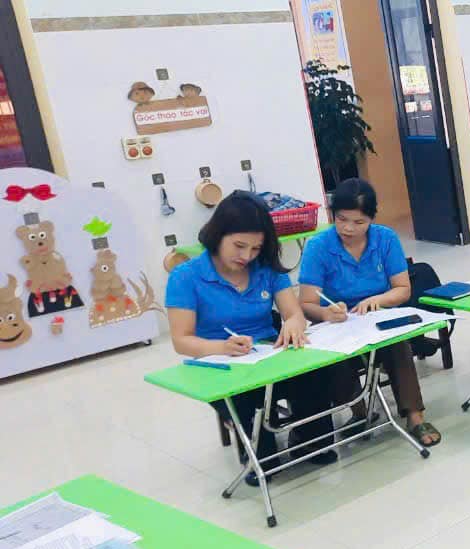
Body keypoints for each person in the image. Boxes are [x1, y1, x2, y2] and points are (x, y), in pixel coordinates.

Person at [165, 192, 337, 485]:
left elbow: (294, 314)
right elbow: (182, 341)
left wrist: (293, 324)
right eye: (239, 246)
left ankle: (306, 439)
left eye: (255, 248)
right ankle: (259, 452)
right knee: (264, 457)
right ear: (218, 235)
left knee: (315, 375)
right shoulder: (186, 276)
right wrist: (222, 347)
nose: (246, 256)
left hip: (267, 354)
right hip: (218, 364)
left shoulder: (266, 268)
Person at [298, 178, 441, 448]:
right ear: (332, 214)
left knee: (397, 344)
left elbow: (402, 289)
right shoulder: (319, 246)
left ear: (372, 219)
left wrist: (379, 299)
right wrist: (327, 314)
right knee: (335, 355)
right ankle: (360, 412)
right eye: (341, 219)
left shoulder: (385, 238)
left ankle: (415, 416)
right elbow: (306, 303)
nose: (348, 228)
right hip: (338, 323)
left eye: (359, 222)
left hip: (378, 317)